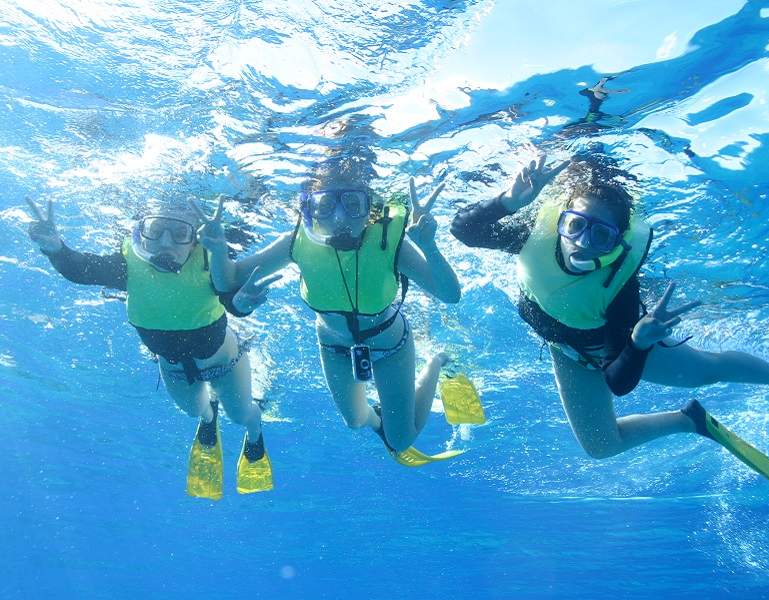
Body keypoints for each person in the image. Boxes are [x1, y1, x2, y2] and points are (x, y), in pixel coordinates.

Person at [449, 152, 769, 491]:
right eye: (575, 225)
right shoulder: (535, 239)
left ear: (616, 243)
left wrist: (639, 343)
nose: (582, 244)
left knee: (707, 371)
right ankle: (689, 421)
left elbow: (617, 379)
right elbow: (465, 230)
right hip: (568, 353)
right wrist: (508, 201)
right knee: (602, 446)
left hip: (618, 349)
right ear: (561, 223)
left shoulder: (619, 290)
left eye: (600, 236)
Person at [197, 152, 463, 462]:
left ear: (371, 210)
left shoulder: (390, 243)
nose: (339, 218)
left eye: (352, 206)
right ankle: (380, 420)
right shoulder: (295, 242)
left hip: (390, 343)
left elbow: (450, 294)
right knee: (354, 420)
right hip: (334, 345)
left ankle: (436, 362)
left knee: (401, 440)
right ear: (309, 210)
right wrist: (217, 252)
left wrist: (429, 245)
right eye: (325, 207)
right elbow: (229, 278)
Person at [26, 196, 275, 499]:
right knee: (193, 411)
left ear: (193, 241)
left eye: (179, 233)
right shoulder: (127, 268)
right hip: (173, 369)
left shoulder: (210, 262)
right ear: (140, 234)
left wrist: (244, 304)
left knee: (241, 415)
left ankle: (255, 434)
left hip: (226, 364)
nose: (165, 242)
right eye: (155, 231)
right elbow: (83, 270)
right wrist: (56, 250)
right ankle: (209, 418)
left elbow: (232, 299)